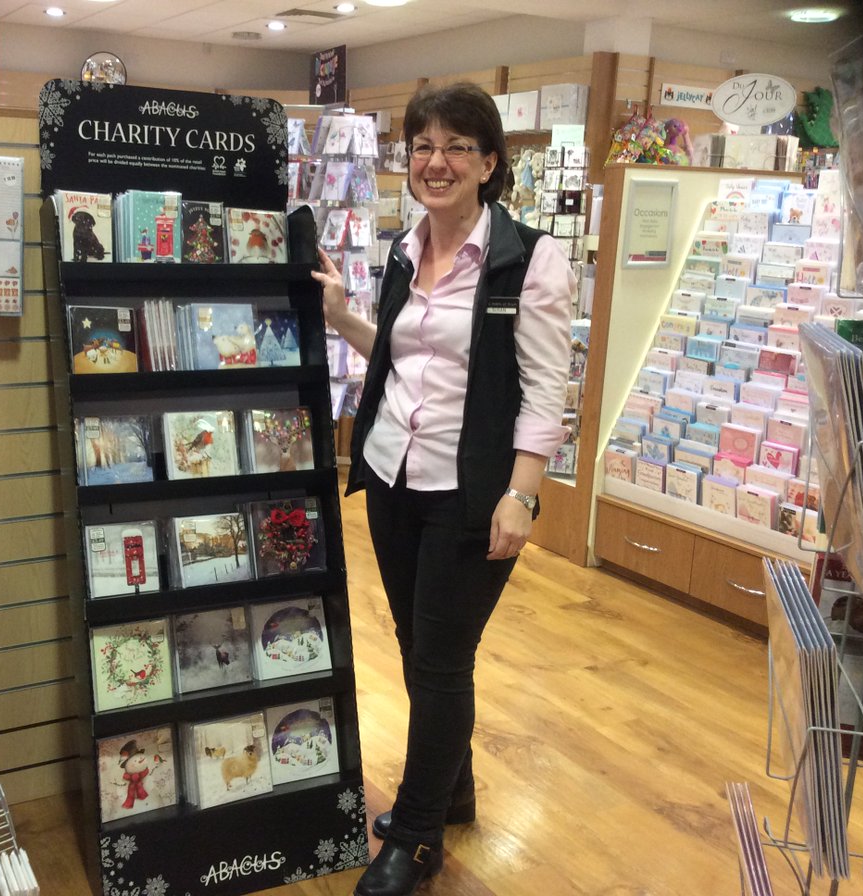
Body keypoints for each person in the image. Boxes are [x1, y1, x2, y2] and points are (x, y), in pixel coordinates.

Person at [312, 81, 574, 896]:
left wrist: (521, 494)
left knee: (441, 662)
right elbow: (397, 354)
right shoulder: (402, 248)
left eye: (458, 146)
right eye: (423, 145)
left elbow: (544, 389)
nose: (437, 161)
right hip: (391, 475)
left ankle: (418, 836)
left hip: (469, 493)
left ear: (490, 163)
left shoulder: (527, 259)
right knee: (417, 649)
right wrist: (343, 315)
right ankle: (450, 789)